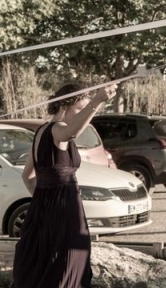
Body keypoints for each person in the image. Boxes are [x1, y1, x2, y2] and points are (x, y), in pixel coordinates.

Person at [13, 82, 117, 288]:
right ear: (63, 106)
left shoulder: (40, 132)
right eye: (79, 109)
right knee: (66, 263)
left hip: (45, 210)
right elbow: (70, 132)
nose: (82, 114)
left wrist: (44, 201)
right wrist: (97, 100)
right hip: (64, 211)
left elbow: (28, 176)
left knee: (47, 265)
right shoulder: (57, 130)